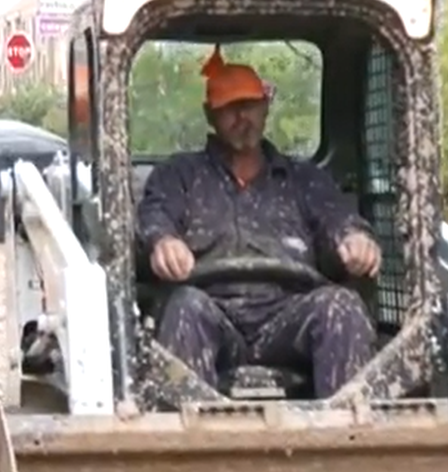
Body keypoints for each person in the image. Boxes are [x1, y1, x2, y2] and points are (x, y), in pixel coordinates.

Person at [138, 50, 382, 397]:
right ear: (210, 115)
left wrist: (353, 239)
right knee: (184, 307)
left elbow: (337, 218)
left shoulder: (304, 180)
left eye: (250, 105)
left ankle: (348, 429)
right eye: (229, 108)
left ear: (265, 107)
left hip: (289, 315)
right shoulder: (179, 175)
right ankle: (187, 430)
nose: (242, 117)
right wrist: (163, 241)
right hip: (212, 311)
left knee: (341, 306)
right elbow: (156, 214)